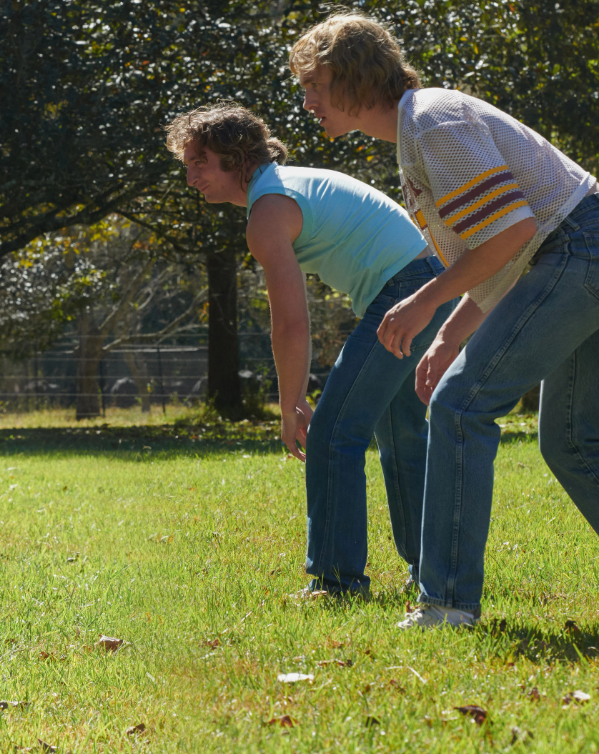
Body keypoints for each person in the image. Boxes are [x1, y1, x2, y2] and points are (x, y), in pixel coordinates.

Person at [289, 11, 599, 627]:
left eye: (313, 84)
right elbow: (498, 258)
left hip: (582, 250)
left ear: (351, 78)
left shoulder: (430, 118)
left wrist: (426, 301)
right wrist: (447, 340)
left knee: (461, 406)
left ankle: (448, 603)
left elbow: (513, 233)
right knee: (573, 441)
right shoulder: (418, 134)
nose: (306, 102)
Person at [166, 102, 456, 599]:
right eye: (187, 164)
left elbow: (292, 324)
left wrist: (291, 402)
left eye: (201, 162)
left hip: (408, 291)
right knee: (401, 432)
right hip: (431, 283)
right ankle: (433, 572)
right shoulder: (284, 186)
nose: (191, 176)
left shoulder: (269, 209)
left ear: (236, 158)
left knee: (333, 432)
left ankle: (337, 581)